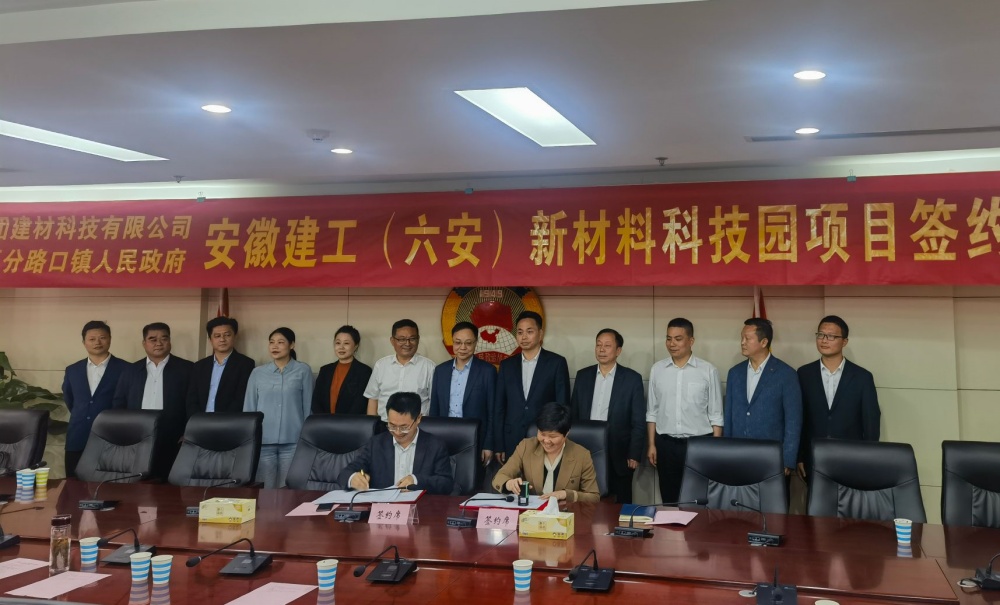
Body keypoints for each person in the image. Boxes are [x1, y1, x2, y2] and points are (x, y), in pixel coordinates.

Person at [646, 318, 723, 503]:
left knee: (698, 499)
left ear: (691, 341)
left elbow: (716, 415)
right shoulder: (657, 369)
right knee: (669, 499)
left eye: (678, 339)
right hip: (666, 444)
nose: (672, 344)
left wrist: (714, 449)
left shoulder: (708, 370)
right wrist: (652, 444)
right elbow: (652, 411)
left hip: (699, 444)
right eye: (668, 338)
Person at [797, 315, 880, 479]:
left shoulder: (862, 377)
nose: (824, 340)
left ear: (844, 342)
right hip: (813, 457)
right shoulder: (804, 374)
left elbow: (871, 421)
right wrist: (799, 456)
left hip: (851, 458)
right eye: (820, 335)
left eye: (831, 336)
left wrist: (869, 457)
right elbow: (798, 418)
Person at [570, 328, 645, 503]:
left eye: (607, 345)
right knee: (586, 501)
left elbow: (638, 421)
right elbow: (574, 415)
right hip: (585, 450)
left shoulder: (632, 379)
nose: (601, 349)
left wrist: (634, 453)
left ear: (618, 351)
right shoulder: (583, 376)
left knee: (620, 501)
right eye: (598, 345)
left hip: (619, 451)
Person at [112, 322, 194, 480]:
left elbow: (192, 403)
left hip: (174, 438)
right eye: (153, 339)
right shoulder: (130, 370)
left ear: (170, 341)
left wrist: (188, 433)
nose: (159, 343)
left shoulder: (187, 369)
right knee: (137, 482)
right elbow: (119, 403)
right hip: (136, 437)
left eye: (164, 338)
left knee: (170, 484)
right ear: (144, 343)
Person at [723, 318, 802, 475]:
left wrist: (788, 459)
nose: (742, 343)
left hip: (772, 457)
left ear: (764, 342)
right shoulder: (735, 373)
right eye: (741, 338)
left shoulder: (786, 374)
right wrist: (726, 452)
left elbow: (793, 421)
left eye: (747, 338)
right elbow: (729, 416)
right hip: (737, 455)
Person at [339, 391, 453, 494]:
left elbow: (446, 484)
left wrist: (417, 480)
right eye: (392, 425)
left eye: (404, 427)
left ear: (418, 418)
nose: (398, 432)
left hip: (420, 507)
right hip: (382, 507)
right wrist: (352, 478)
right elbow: (344, 474)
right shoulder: (376, 444)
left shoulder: (435, 445)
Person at [494, 311, 570, 461]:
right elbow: (499, 408)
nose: (524, 337)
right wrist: (499, 444)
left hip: (545, 438)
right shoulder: (507, 365)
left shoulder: (556, 363)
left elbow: (563, 406)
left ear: (540, 334)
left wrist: (557, 439)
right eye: (520, 332)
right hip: (511, 438)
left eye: (529, 332)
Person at [243, 327, 313, 489]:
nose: (275, 346)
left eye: (281, 342)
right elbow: (249, 408)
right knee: (265, 490)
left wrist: (306, 438)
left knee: (288, 490)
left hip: (293, 441)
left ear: (292, 345)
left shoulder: (303, 370)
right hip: (263, 441)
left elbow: (308, 406)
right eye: (271, 342)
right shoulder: (257, 373)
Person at [493, 402, 599, 503]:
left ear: (566, 433)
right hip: (531, 512)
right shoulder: (526, 446)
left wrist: (566, 494)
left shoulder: (582, 455)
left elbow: (593, 497)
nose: (546, 441)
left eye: (553, 436)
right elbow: (500, 477)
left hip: (564, 512)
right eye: (542, 434)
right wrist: (509, 483)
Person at [62, 320, 129, 478]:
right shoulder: (72, 370)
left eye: (102, 338)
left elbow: (129, 402)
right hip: (78, 436)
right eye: (92, 339)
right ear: (84, 342)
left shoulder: (126, 369)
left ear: (110, 339)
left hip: (112, 437)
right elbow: (70, 399)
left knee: (110, 484)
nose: (97, 342)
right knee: (74, 485)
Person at [429, 321, 497, 463]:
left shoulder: (487, 371)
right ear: (452, 342)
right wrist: (432, 440)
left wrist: (489, 444)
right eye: (458, 342)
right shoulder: (440, 371)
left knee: (472, 475)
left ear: (476, 343)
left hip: (474, 437)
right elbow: (434, 409)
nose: (463, 348)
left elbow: (492, 411)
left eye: (468, 343)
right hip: (443, 435)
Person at [364, 319, 435, 420]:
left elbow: (434, 402)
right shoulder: (381, 365)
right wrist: (372, 425)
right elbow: (373, 399)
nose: (407, 343)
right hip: (384, 424)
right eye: (402, 339)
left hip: (417, 425)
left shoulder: (429, 367)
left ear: (418, 339)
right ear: (392, 341)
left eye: (412, 339)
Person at [185, 316, 255, 418]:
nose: (222, 339)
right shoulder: (199, 366)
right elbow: (192, 399)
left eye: (227, 335)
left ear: (235, 336)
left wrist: (222, 420)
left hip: (229, 421)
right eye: (217, 336)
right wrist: (196, 419)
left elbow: (241, 398)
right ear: (210, 340)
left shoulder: (245, 364)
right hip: (199, 421)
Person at [311, 325, 373, 415]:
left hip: (351, 421)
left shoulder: (364, 371)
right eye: (338, 343)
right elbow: (316, 400)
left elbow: (361, 403)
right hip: (324, 421)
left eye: (346, 343)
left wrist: (344, 421)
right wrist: (324, 419)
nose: (341, 347)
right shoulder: (325, 370)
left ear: (356, 346)